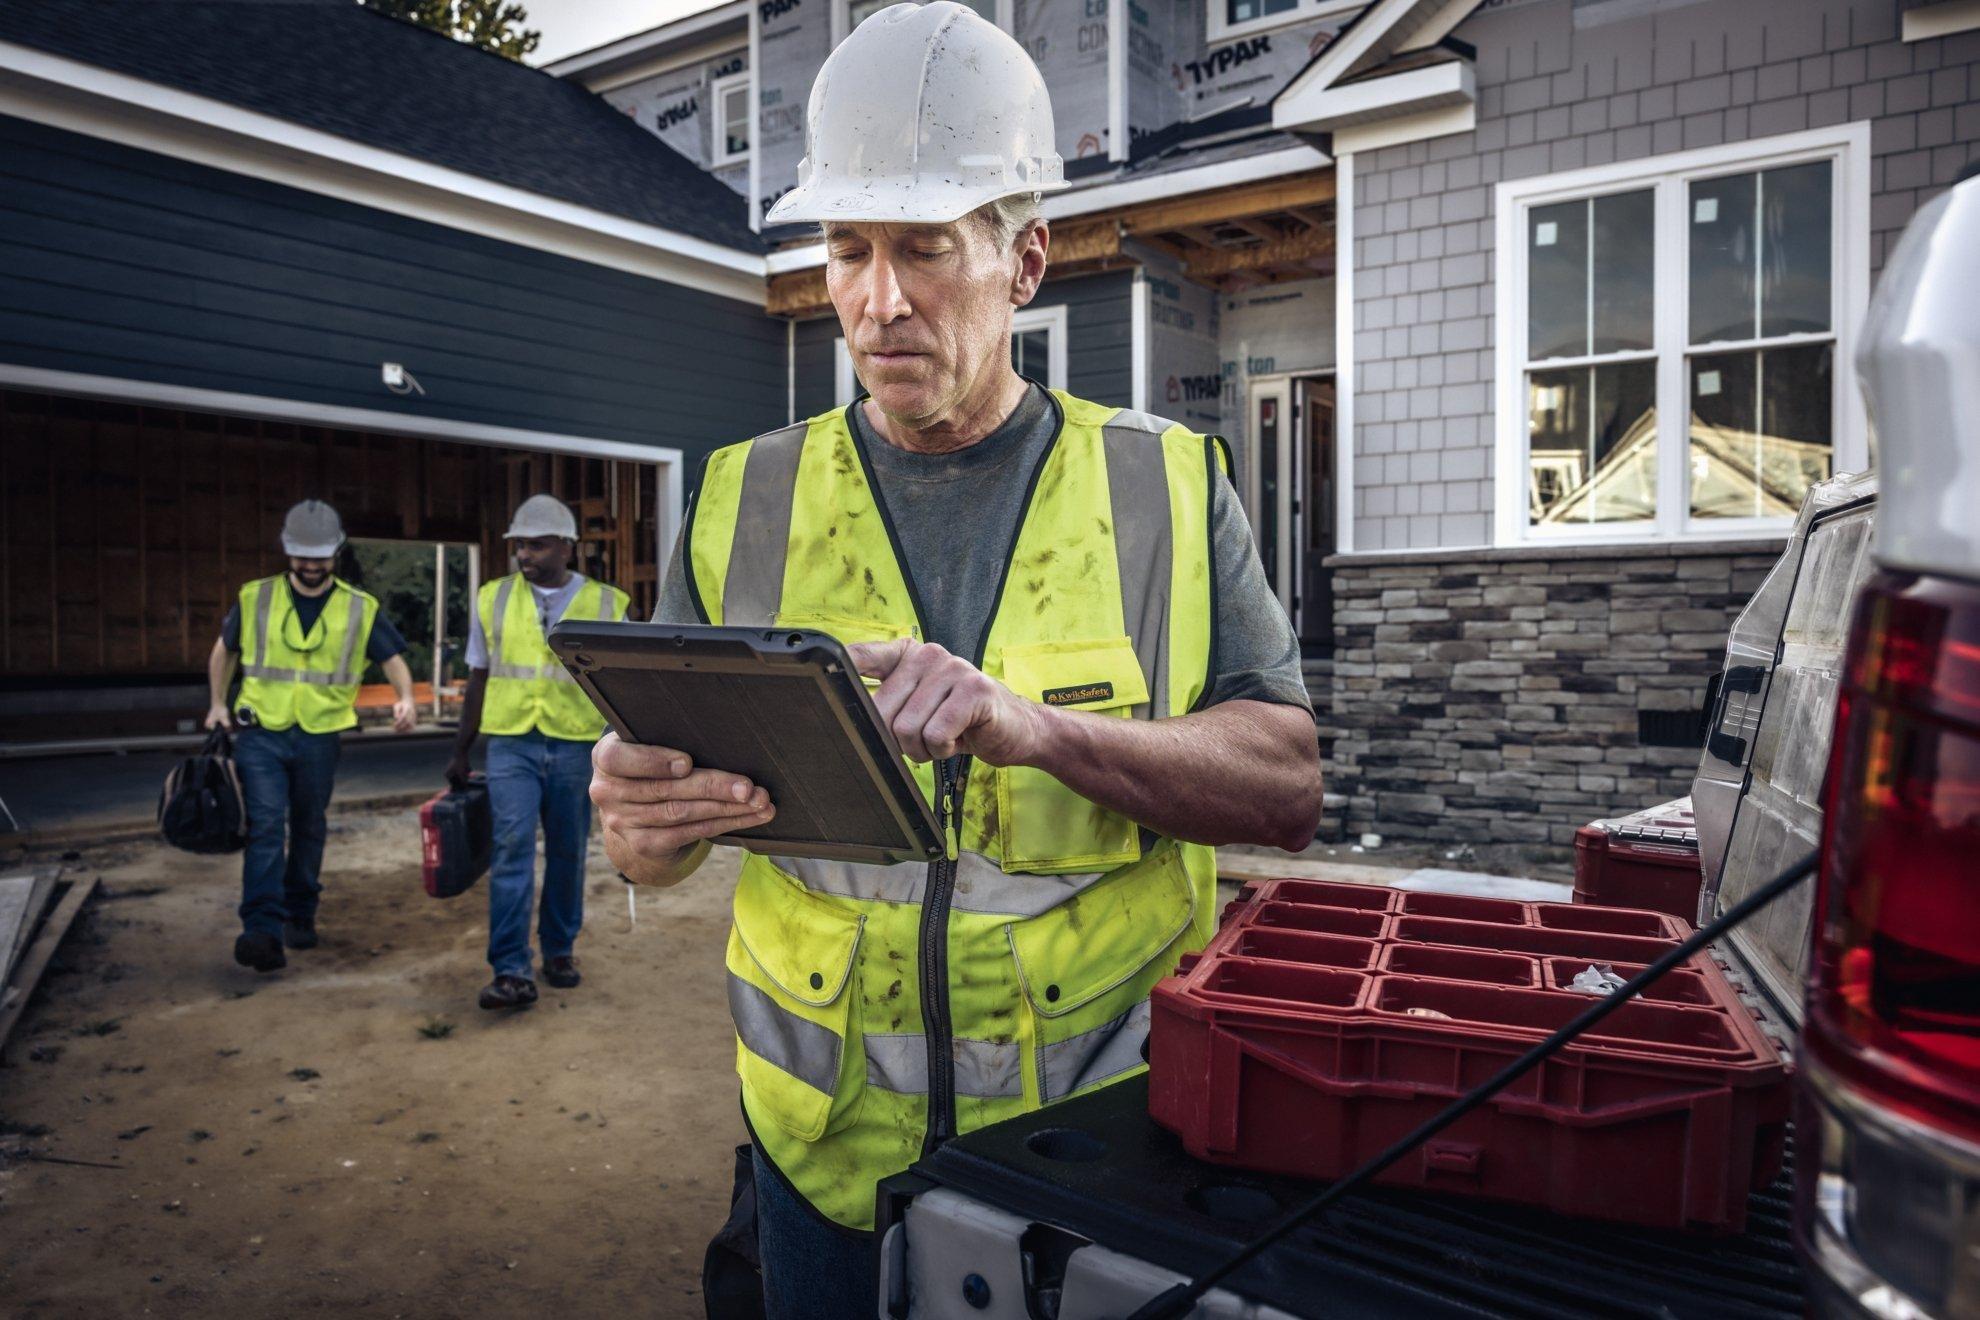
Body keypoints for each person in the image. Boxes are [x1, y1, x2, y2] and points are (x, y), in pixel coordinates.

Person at [589, 5, 1324, 1314]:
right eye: (848, 250)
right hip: (820, 1159)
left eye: (923, 250)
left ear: (1025, 259)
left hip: (1094, 1162)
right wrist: (643, 828)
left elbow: (1282, 785)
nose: (878, 302)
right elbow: (667, 830)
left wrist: (1040, 731)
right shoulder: (739, 501)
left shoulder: (1163, 487)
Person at [205, 499, 417, 972]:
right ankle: (260, 929)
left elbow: (393, 659)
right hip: (261, 731)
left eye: (320, 556)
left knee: (308, 826)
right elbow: (225, 652)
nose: (311, 565)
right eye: (302, 556)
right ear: (287, 551)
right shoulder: (255, 597)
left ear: (335, 553)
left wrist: (406, 697)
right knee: (264, 826)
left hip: (320, 734)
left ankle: (300, 914)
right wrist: (218, 704)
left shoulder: (359, 608)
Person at [448, 494, 630, 1011]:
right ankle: (509, 970)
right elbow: (478, 676)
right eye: (519, 545)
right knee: (511, 849)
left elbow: (620, 686)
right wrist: (461, 750)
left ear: (567, 547)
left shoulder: (607, 604)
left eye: (537, 544)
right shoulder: (492, 598)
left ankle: (559, 951)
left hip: (575, 745)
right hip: (511, 745)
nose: (525, 554)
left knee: (569, 852)